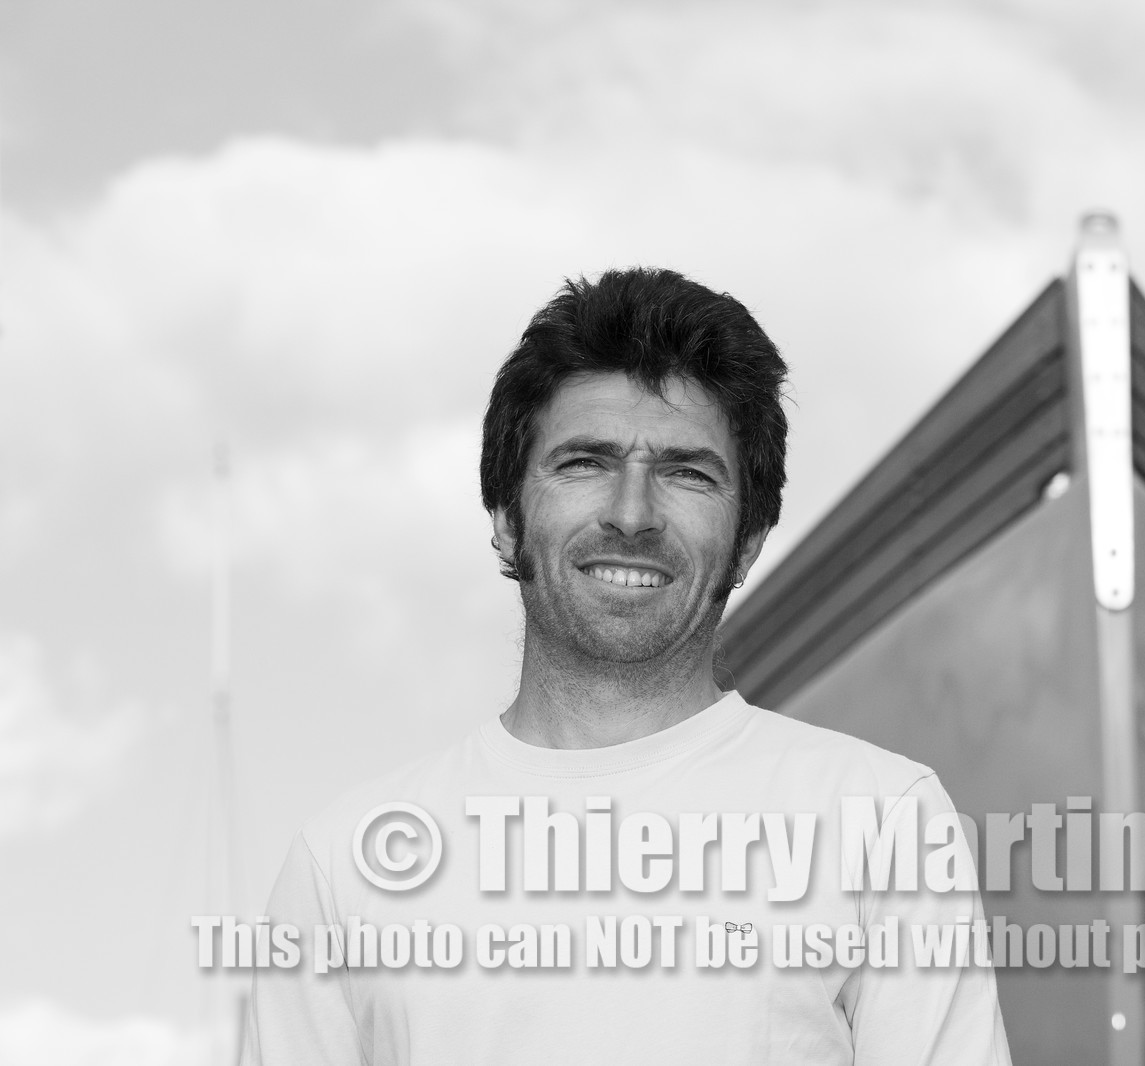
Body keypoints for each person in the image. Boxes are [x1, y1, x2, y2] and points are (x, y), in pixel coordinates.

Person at [244, 267, 1012, 1064]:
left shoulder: (884, 821)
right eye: (584, 463)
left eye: (687, 473)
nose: (632, 514)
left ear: (747, 541)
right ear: (507, 520)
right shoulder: (343, 866)